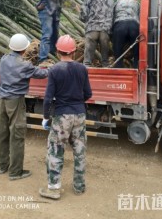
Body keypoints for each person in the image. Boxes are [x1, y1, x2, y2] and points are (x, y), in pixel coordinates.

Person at [39, 35, 92, 200]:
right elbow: (88, 93)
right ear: (74, 51)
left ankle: (54, 188)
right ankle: (79, 186)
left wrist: (46, 117)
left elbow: (48, 98)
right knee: (80, 151)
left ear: (57, 50)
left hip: (62, 117)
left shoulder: (55, 70)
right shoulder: (82, 69)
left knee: (55, 150)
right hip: (80, 115)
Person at [0, 33, 49, 181]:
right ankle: (15, 172)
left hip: (1, 100)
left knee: (3, 133)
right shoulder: (25, 65)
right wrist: (53, 69)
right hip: (15, 101)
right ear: (24, 49)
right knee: (17, 135)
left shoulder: (4, 59)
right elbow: (41, 73)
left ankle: (2, 166)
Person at [35, 0, 70, 67]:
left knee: (55, 35)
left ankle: (52, 54)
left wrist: (70, 0)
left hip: (56, 12)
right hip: (46, 11)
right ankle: (42, 59)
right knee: (47, 34)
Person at [79, 0, 114, 67]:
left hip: (92, 28)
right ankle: (105, 66)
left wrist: (85, 20)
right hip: (105, 29)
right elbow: (113, 15)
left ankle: (87, 68)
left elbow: (83, 14)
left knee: (88, 58)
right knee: (105, 56)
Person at [112, 0, 140, 68]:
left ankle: (119, 67)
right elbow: (141, 16)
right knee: (136, 48)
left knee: (117, 48)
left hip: (119, 25)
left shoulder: (117, 2)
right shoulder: (137, 3)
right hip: (134, 25)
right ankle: (136, 66)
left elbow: (112, 16)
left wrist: (112, 32)